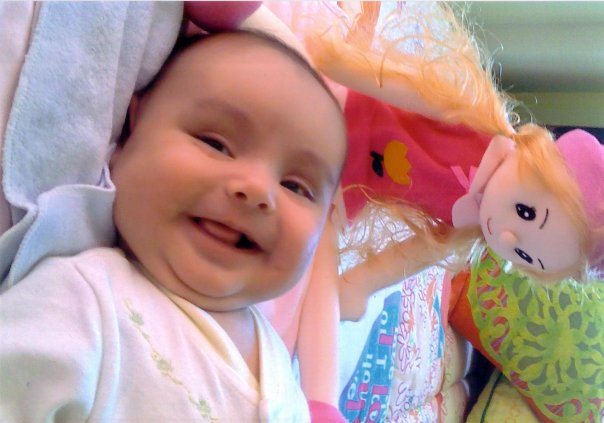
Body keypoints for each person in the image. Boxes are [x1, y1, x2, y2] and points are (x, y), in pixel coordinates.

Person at [0, 30, 347, 422]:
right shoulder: (80, 304)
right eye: (216, 144)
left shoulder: (280, 366)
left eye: (296, 187)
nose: (257, 189)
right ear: (131, 130)